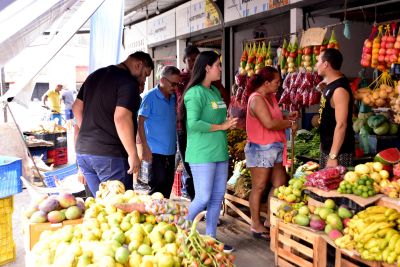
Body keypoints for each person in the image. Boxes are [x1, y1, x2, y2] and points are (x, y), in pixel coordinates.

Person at [72, 51, 154, 196]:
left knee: (101, 208)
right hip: (110, 156)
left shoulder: (94, 76)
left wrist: (90, 130)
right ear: (138, 65)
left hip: (84, 154)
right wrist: (132, 153)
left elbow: (76, 107)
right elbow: (121, 117)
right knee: (118, 208)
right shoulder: (128, 82)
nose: (144, 81)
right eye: (145, 75)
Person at [181, 51, 237, 252]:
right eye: (218, 65)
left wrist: (227, 123)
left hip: (219, 152)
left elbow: (217, 117)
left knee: (216, 198)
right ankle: (182, 231)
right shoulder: (194, 92)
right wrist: (222, 127)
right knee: (203, 197)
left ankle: (211, 239)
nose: (220, 68)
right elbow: (193, 124)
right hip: (202, 153)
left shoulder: (214, 91)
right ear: (207, 67)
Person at [244, 66, 298, 240]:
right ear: (266, 83)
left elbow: (275, 114)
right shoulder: (257, 99)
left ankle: (268, 219)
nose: (279, 85)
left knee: (280, 183)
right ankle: (256, 224)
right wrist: (289, 123)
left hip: (275, 146)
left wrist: (287, 114)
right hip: (260, 148)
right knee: (259, 187)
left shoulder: (271, 96)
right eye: (276, 82)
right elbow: (269, 123)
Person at [138, 66, 180, 197]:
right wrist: (144, 147)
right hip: (154, 151)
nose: (175, 87)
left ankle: (163, 216)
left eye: (177, 84)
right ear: (162, 80)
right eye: (173, 84)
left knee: (167, 185)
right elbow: (140, 122)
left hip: (171, 151)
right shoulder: (150, 97)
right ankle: (152, 216)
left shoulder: (173, 98)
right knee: (157, 186)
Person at [316, 48, 355, 168]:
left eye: (318, 61)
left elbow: (341, 124)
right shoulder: (331, 85)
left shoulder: (339, 90)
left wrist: (333, 156)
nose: (316, 65)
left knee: (336, 186)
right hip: (328, 147)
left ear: (326, 64)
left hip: (339, 153)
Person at [176, 45, 200, 200]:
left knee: (200, 165)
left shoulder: (204, 78)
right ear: (184, 61)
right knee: (188, 164)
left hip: (200, 129)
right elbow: (179, 103)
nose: (192, 63)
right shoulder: (180, 79)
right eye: (190, 60)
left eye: (196, 60)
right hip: (183, 128)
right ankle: (194, 199)